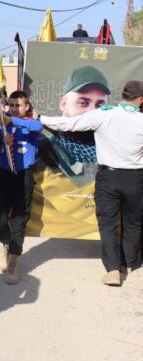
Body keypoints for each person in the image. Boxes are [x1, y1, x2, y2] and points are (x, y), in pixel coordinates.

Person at [40, 80, 143, 286]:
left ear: (122, 95)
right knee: (133, 222)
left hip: (108, 177)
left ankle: (113, 270)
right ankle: (129, 262)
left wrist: (39, 118)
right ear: (140, 100)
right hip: (136, 179)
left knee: (108, 224)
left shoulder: (104, 114)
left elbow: (69, 124)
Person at [0, 91, 42, 284]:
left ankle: (14, 259)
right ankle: (6, 243)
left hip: (23, 177)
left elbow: (38, 126)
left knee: (20, 219)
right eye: (10, 105)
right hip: (4, 175)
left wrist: (13, 121)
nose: (13, 108)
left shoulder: (30, 124)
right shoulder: (1, 124)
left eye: (17, 105)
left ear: (27, 107)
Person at [40, 66, 110, 186]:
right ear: (63, 104)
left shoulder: (109, 152)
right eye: (83, 103)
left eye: (99, 106)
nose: (92, 111)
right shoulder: (44, 150)